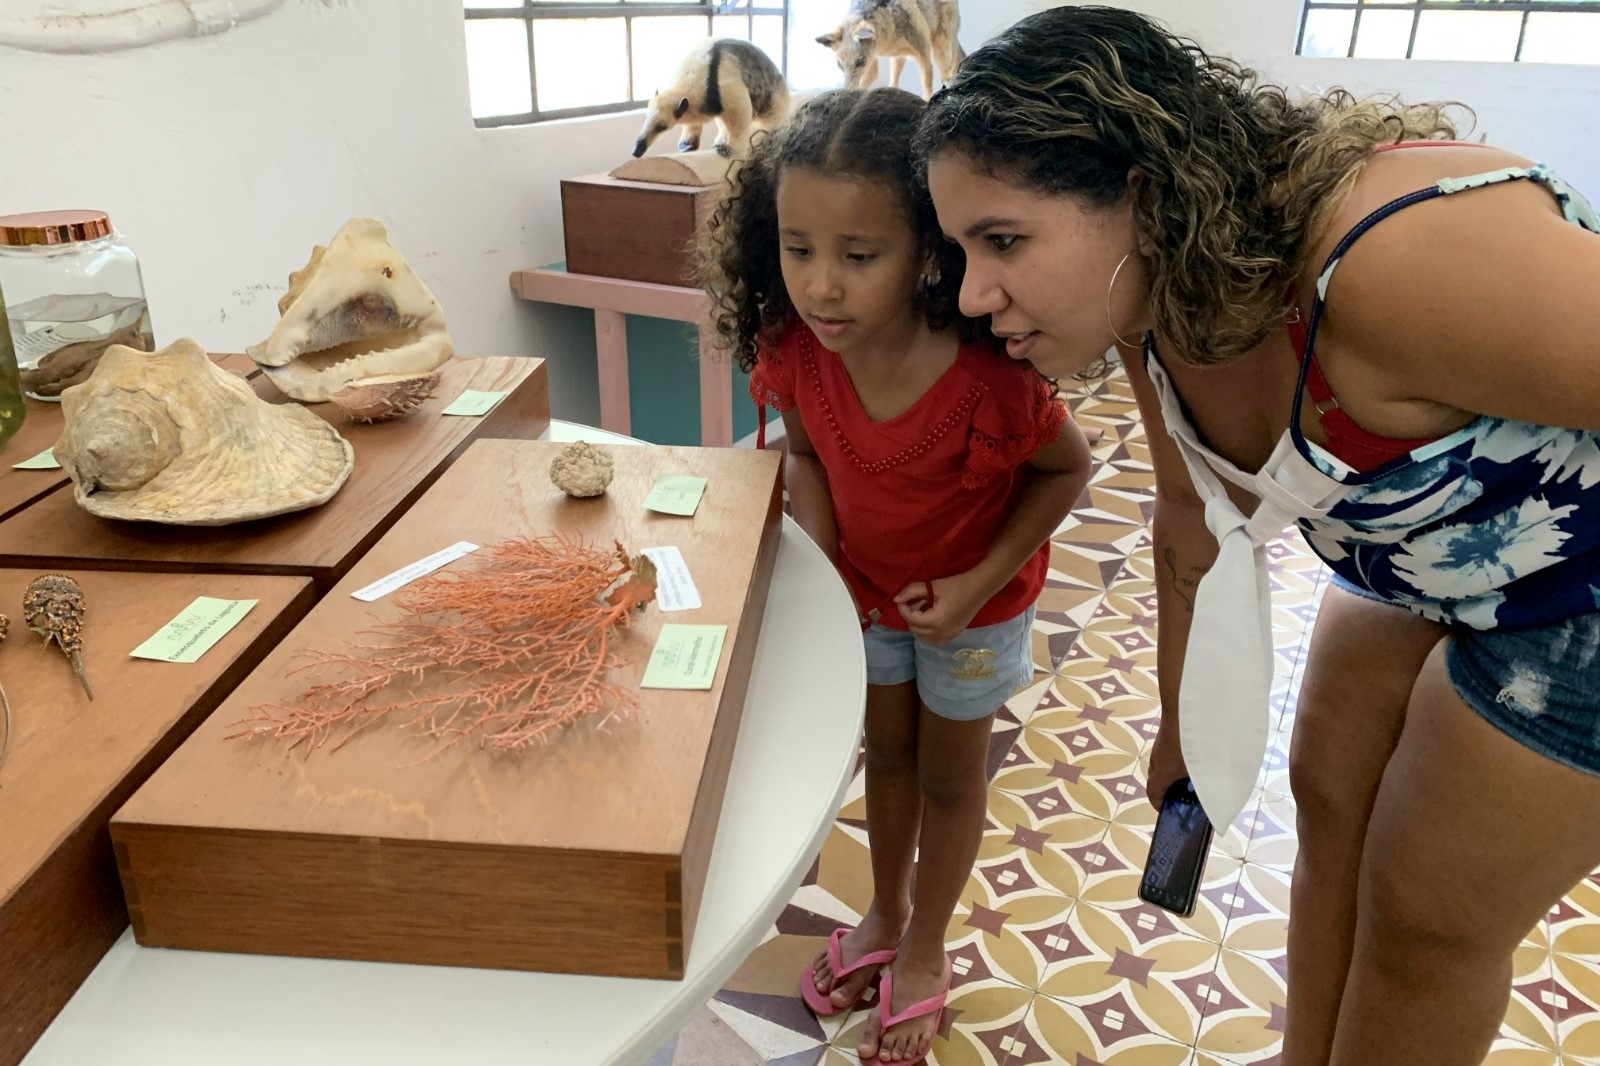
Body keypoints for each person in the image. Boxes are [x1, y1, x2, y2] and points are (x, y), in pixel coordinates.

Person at [913, 7, 1600, 1064]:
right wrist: (1180, 722)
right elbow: (1193, 515)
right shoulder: (1150, 292)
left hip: (1581, 576)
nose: (973, 293)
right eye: (959, 248)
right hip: (1424, 539)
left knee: (1426, 916)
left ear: (1138, 191)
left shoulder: (1389, 263)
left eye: (1002, 240)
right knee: (1330, 805)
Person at [699, 86, 1092, 1065]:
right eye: (797, 249)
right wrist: (829, 577)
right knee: (888, 757)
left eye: (857, 256)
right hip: (866, 600)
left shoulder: (989, 381)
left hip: (975, 608)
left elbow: (1065, 470)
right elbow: (807, 458)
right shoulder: (796, 354)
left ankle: (924, 947)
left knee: (952, 779)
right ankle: (881, 913)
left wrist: (972, 585)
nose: (821, 286)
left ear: (927, 252)